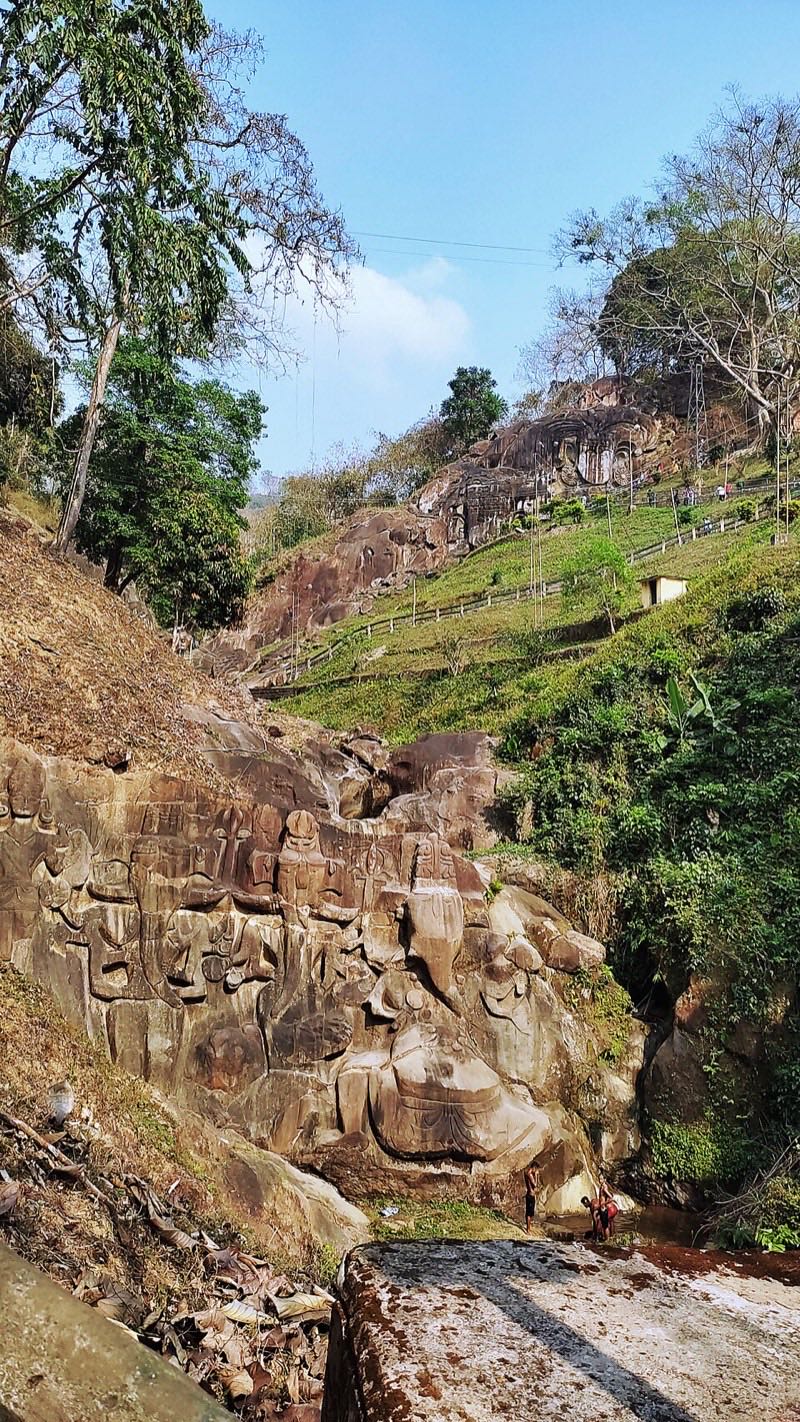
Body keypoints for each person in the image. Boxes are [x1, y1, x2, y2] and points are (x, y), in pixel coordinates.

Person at [524, 1162, 541, 1234]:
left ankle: (529, 1228)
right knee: (529, 1213)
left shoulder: (527, 1172)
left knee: (530, 1213)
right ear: (534, 1167)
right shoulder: (530, 1174)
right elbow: (535, 1184)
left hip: (531, 1195)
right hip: (530, 1195)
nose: (536, 1171)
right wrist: (536, 1176)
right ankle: (528, 1230)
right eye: (536, 1169)